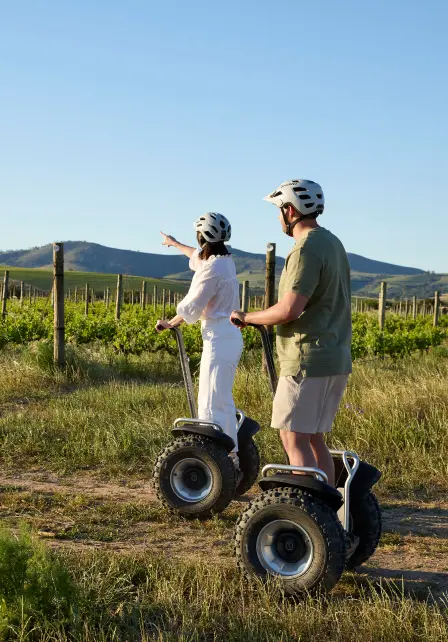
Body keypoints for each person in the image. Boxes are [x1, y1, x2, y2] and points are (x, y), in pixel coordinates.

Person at [230, 179, 352, 486]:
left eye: (278, 210)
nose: (278, 217)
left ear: (289, 210)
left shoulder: (305, 249)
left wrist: (249, 317)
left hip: (305, 358)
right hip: (334, 357)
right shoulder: (332, 243)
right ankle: (331, 509)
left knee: (293, 437)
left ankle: (310, 511)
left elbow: (290, 309)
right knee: (314, 438)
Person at [156, 212, 243, 469]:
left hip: (219, 338)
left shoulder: (212, 270)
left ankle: (221, 462)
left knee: (210, 403)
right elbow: (196, 256)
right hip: (227, 337)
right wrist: (173, 243)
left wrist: (171, 323)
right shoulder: (224, 261)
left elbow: (192, 306)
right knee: (220, 399)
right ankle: (231, 457)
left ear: (202, 236)